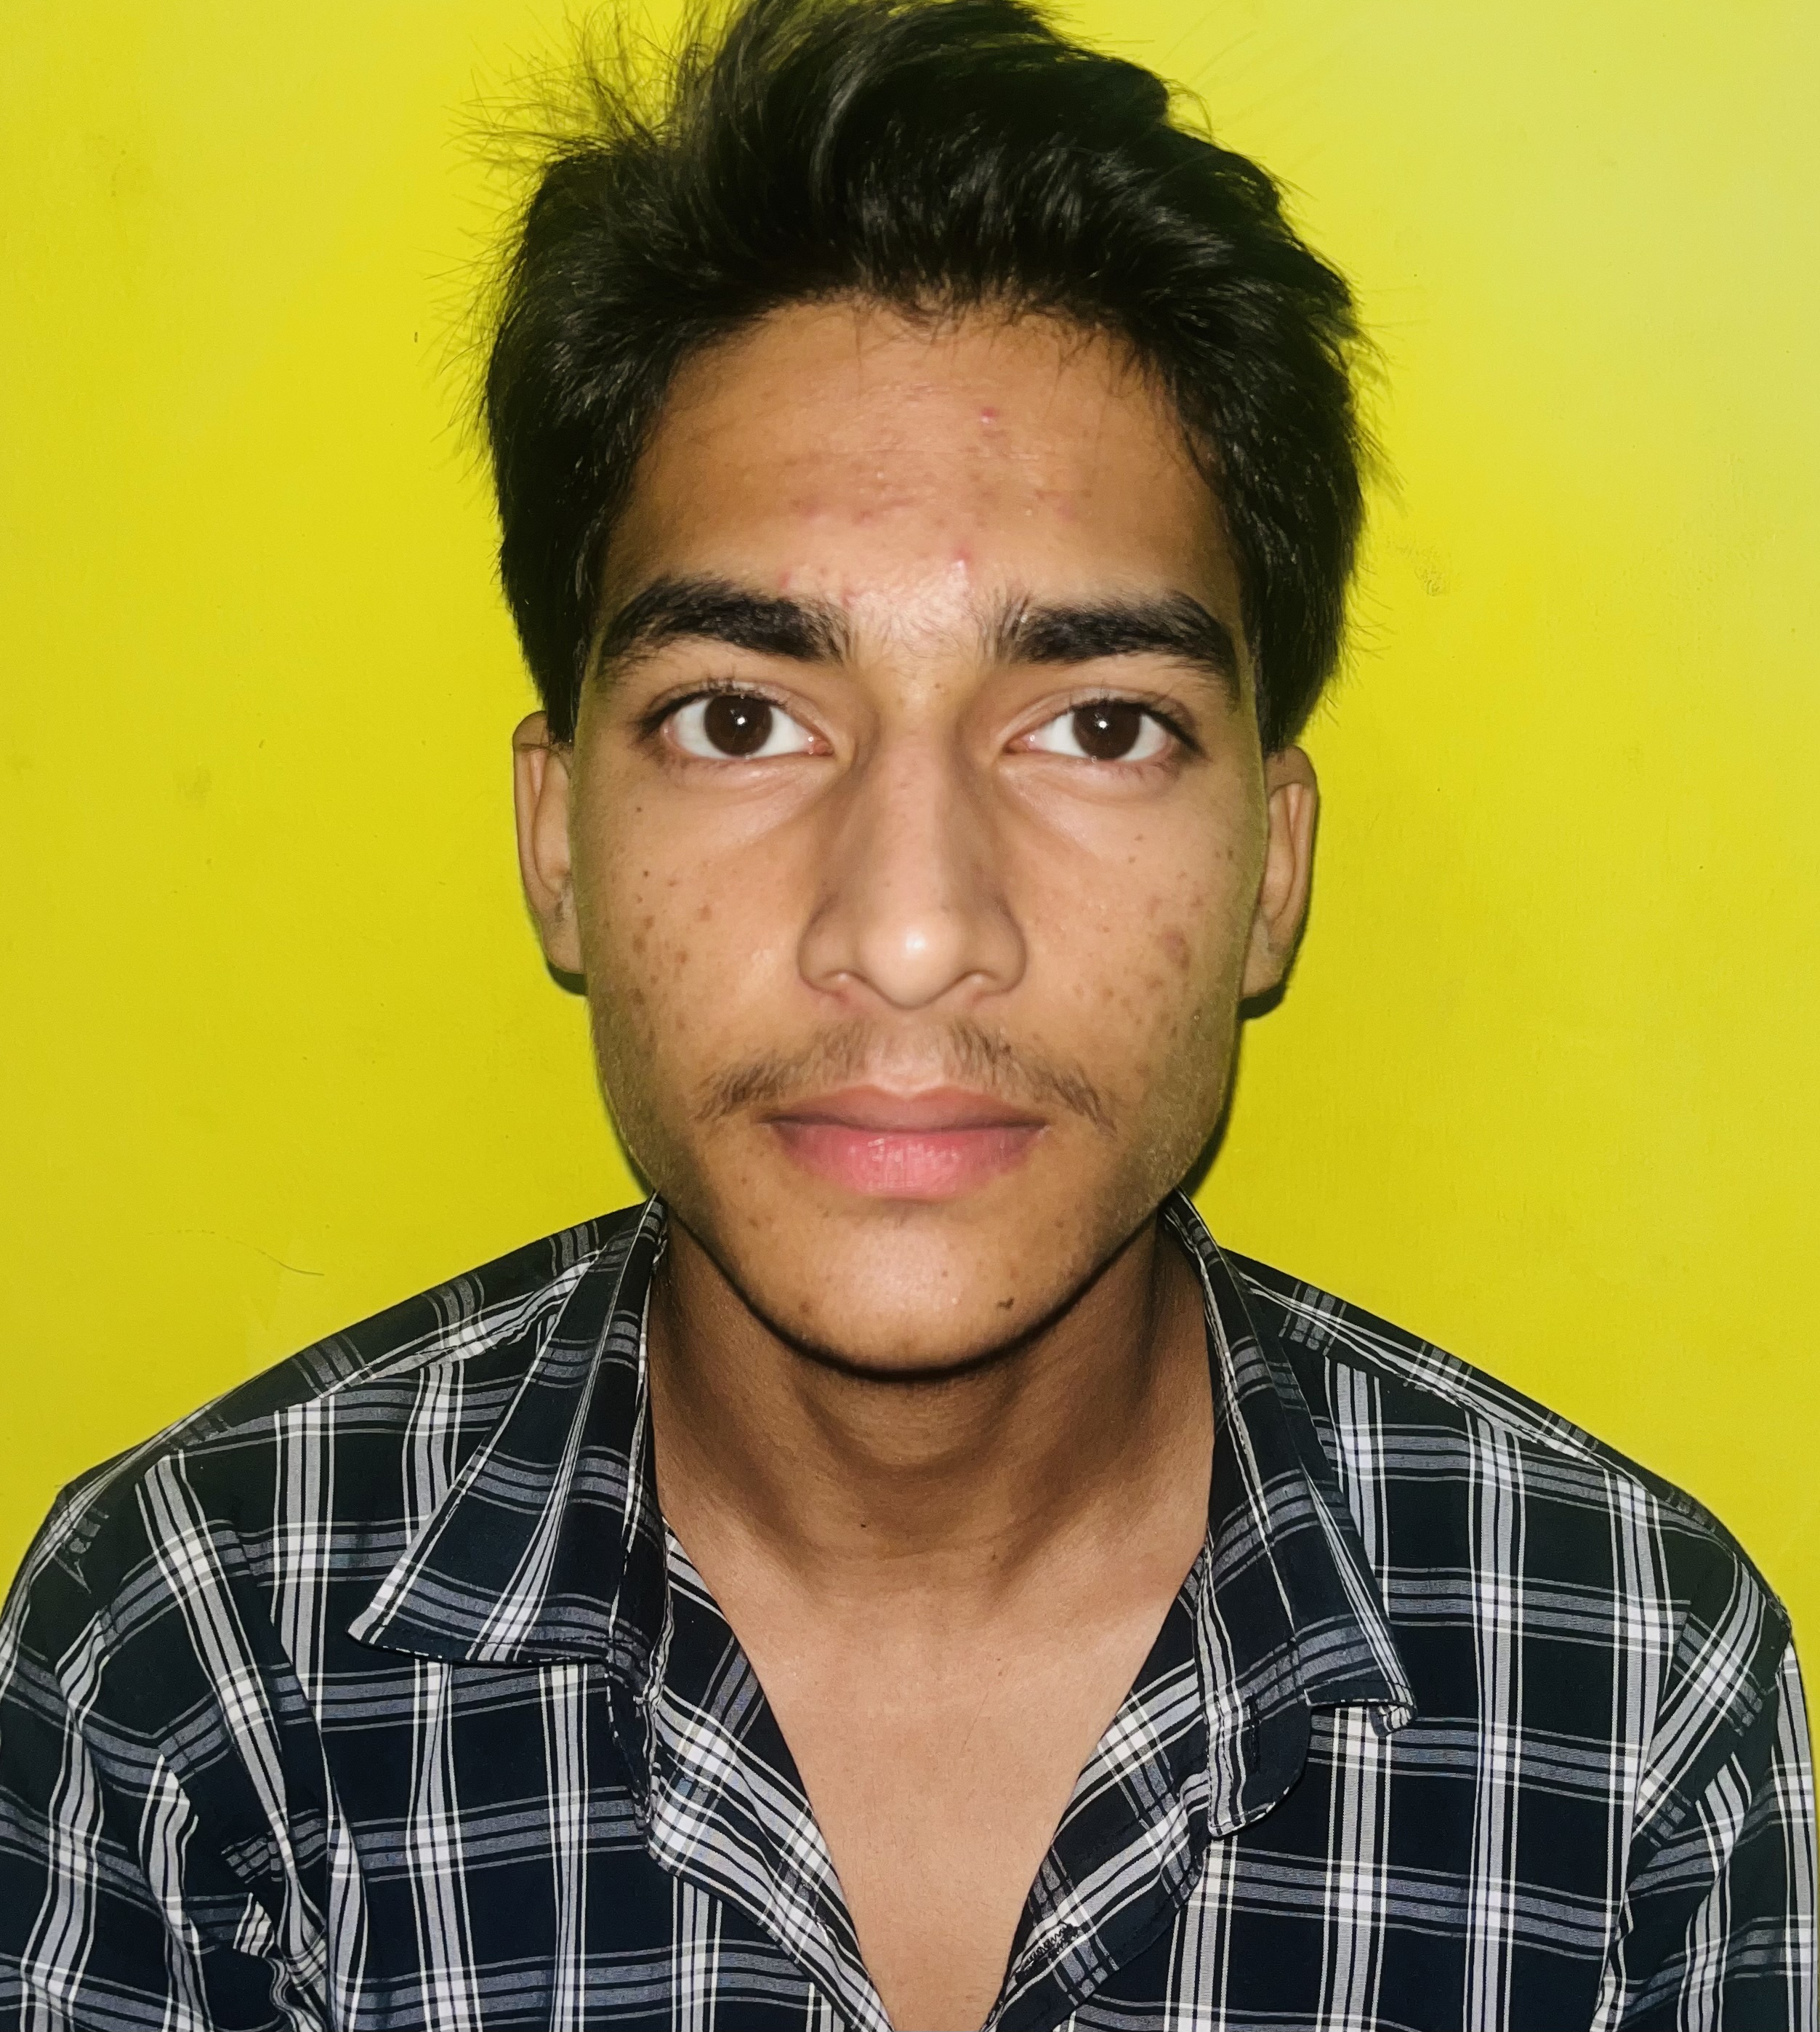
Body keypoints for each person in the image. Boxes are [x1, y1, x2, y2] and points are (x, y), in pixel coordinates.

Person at [1, 0, 1811, 2024]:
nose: (918, 930)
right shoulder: (195, 1675)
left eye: (1101, 726)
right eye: (741, 718)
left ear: (1272, 871)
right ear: (559, 839)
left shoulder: (1628, 1707)